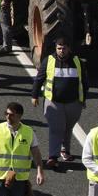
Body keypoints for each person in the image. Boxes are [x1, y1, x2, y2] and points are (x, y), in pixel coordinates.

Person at [32, 36, 88, 165]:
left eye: (63, 48)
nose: (61, 51)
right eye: (59, 48)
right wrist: (34, 95)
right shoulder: (49, 61)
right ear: (55, 48)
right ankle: (53, 156)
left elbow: (84, 82)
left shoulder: (78, 61)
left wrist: (83, 98)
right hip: (54, 102)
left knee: (68, 128)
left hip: (73, 103)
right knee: (56, 129)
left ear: (68, 48)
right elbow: (39, 79)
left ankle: (65, 150)